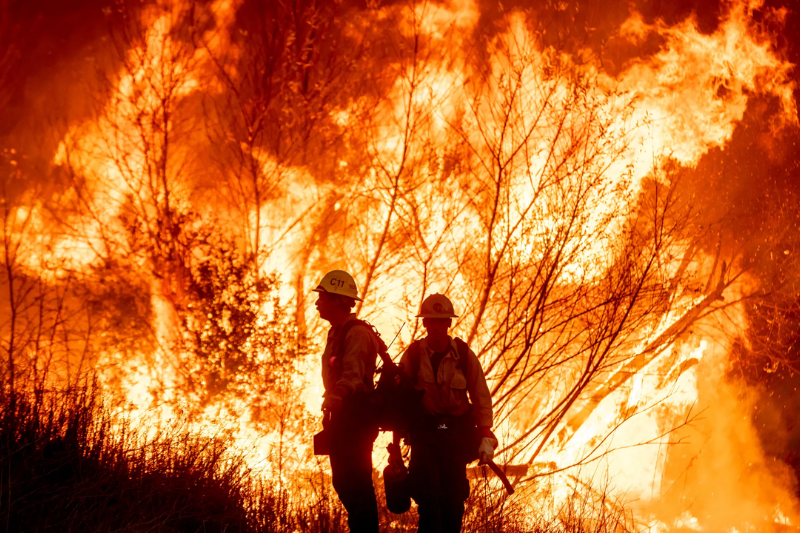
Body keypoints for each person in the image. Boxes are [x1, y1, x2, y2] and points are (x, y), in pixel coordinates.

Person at [399, 293, 497, 533]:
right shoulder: (412, 357)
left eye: (441, 321)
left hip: (455, 436)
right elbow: (398, 399)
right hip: (425, 435)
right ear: (424, 323)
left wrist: (486, 434)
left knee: (453, 499)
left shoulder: (464, 356)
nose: (436, 326)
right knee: (427, 497)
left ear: (448, 323)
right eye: (431, 321)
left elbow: (481, 395)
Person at [313, 269, 381, 533]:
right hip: (342, 418)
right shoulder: (336, 332)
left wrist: (337, 395)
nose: (317, 302)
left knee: (357, 484)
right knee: (343, 482)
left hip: (357, 418)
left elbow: (353, 374)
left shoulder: (357, 333)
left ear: (339, 300)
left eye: (323, 297)